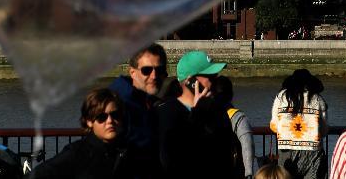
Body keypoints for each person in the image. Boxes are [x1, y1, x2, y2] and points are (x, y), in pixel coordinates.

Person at [156, 49, 238, 179]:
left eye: (216, 76)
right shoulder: (166, 113)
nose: (214, 82)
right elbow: (171, 160)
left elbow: (227, 155)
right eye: (210, 77)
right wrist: (197, 115)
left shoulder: (218, 111)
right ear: (190, 81)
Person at [36, 88, 136, 179]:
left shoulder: (132, 151)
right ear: (89, 121)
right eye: (102, 117)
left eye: (115, 115)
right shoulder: (77, 153)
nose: (110, 121)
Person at [110, 43, 167, 173]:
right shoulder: (116, 104)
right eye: (146, 70)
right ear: (132, 72)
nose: (154, 76)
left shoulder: (150, 103)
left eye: (159, 70)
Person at [270, 69, 327, 179]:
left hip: (286, 151)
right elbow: (324, 130)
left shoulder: (281, 97)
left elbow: (274, 125)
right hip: (313, 152)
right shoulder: (318, 99)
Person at [214, 75, 256, 179]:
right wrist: (249, 173)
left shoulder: (202, 115)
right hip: (234, 170)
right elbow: (247, 145)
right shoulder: (237, 116)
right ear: (231, 94)